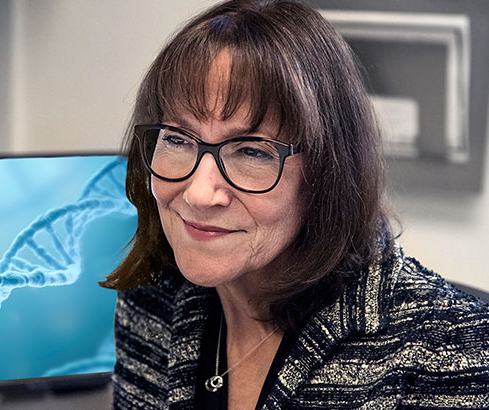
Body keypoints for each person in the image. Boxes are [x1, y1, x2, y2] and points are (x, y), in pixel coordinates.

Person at [99, 0, 489, 408]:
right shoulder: (152, 299)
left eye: (251, 152)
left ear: (326, 173)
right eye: (177, 139)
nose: (198, 193)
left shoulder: (453, 351)